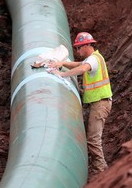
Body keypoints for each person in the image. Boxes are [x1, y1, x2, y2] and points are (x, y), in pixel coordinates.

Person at [48, 32, 112, 174]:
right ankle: (101, 169)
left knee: (93, 140)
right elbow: (78, 64)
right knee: (92, 138)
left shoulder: (93, 60)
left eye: (79, 48)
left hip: (100, 104)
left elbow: (82, 68)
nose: (77, 51)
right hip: (97, 103)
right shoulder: (93, 58)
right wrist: (63, 63)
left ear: (87, 45)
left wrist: (62, 74)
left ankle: (101, 172)